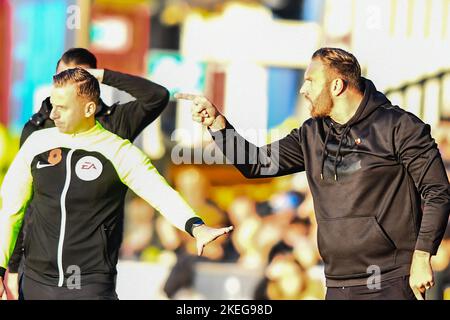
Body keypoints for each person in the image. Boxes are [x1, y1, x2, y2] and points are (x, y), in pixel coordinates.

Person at [175, 47, 450, 300]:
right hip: (337, 282)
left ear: (337, 85)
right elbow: (257, 164)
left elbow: (438, 191)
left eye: (310, 81)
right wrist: (219, 127)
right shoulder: (311, 134)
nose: (302, 90)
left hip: (392, 280)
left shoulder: (398, 126)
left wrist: (422, 255)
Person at [0, 68, 233, 300]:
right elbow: (11, 210)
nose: (53, 115)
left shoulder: (117, 150)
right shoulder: (37, 143)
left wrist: (196, 227)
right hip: (36, 281)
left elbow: (160, 193)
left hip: (89, 284)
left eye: (62, 107)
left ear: (88, 108)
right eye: (52, 105)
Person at [4, 47, 170, 300]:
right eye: (60, 77)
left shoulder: (117, 122)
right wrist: (12, 268)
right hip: (39, 265)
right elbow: (22, 204)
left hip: (92, 270)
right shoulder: (37, 129)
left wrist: (103, 75)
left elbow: (157, 96)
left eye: (74, 77)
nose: (64, 84)